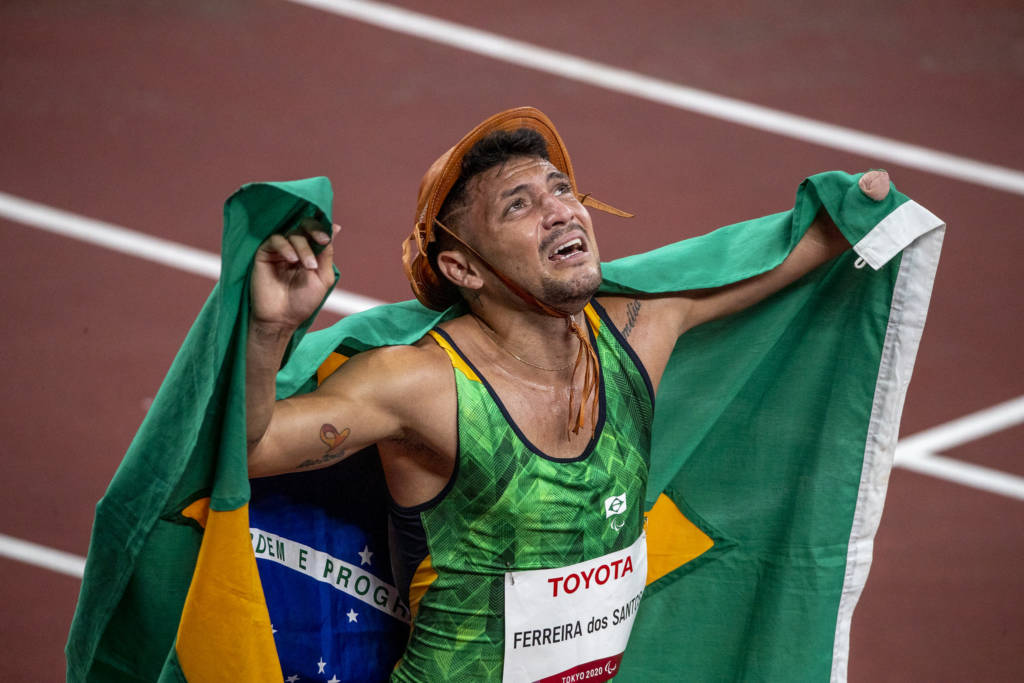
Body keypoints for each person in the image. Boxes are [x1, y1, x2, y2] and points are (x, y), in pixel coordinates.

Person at [244, 107, 891, 681]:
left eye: (560, 189)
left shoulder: (638, 335)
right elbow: (253, 447)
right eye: (518, 206)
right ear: (463, 268)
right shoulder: (421, 384)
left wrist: (864, 205)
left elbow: (799, 250)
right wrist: (270, 329)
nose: (560, 210)